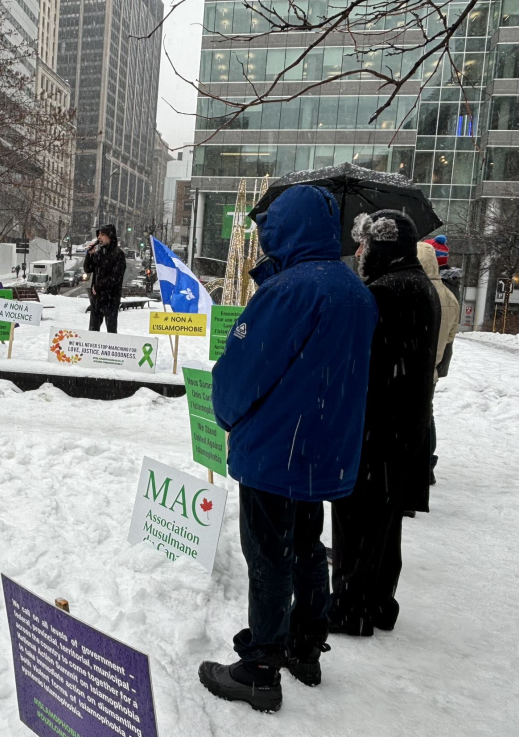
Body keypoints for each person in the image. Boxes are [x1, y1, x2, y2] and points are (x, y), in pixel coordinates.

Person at [198, 185, 378, 713]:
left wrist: (228, 415)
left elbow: (240, 376)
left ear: (288, 226)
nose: (263, 232)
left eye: (270, 223)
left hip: (276, 450)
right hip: (322, 449)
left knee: (268, 555)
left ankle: (259, 666)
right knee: (304, 546)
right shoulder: (353, 289)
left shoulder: (290, 291)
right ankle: (304, 645)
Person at [329, 211, 441, 637]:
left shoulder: (387, 291)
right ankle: (378, 602)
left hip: (376, 427)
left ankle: (350, 609)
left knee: (357, 520)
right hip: (401, 428)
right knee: (384, 523)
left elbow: (357, 358)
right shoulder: (417, 284)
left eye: (365, 246)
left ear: (382, 245)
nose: (359, 254)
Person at [418, 242, 459, 485]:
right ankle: (428, 463)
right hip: (430, 368)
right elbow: (451, 336)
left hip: (407, 366)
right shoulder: (448, 296)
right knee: (426, 414)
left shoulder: (413, 289)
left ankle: (415, 465)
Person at [83, 224, 125, 333]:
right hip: (97, 299)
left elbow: (116, 277)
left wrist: (98, 286)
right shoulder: (99, 254)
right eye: (99, 235)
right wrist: (90, 255)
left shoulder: (118, 255)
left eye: (102, 234)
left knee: (111, 331)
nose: (99, 237)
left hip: (111, 299)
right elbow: (88, 269)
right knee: (93, 330)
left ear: (110, 236)